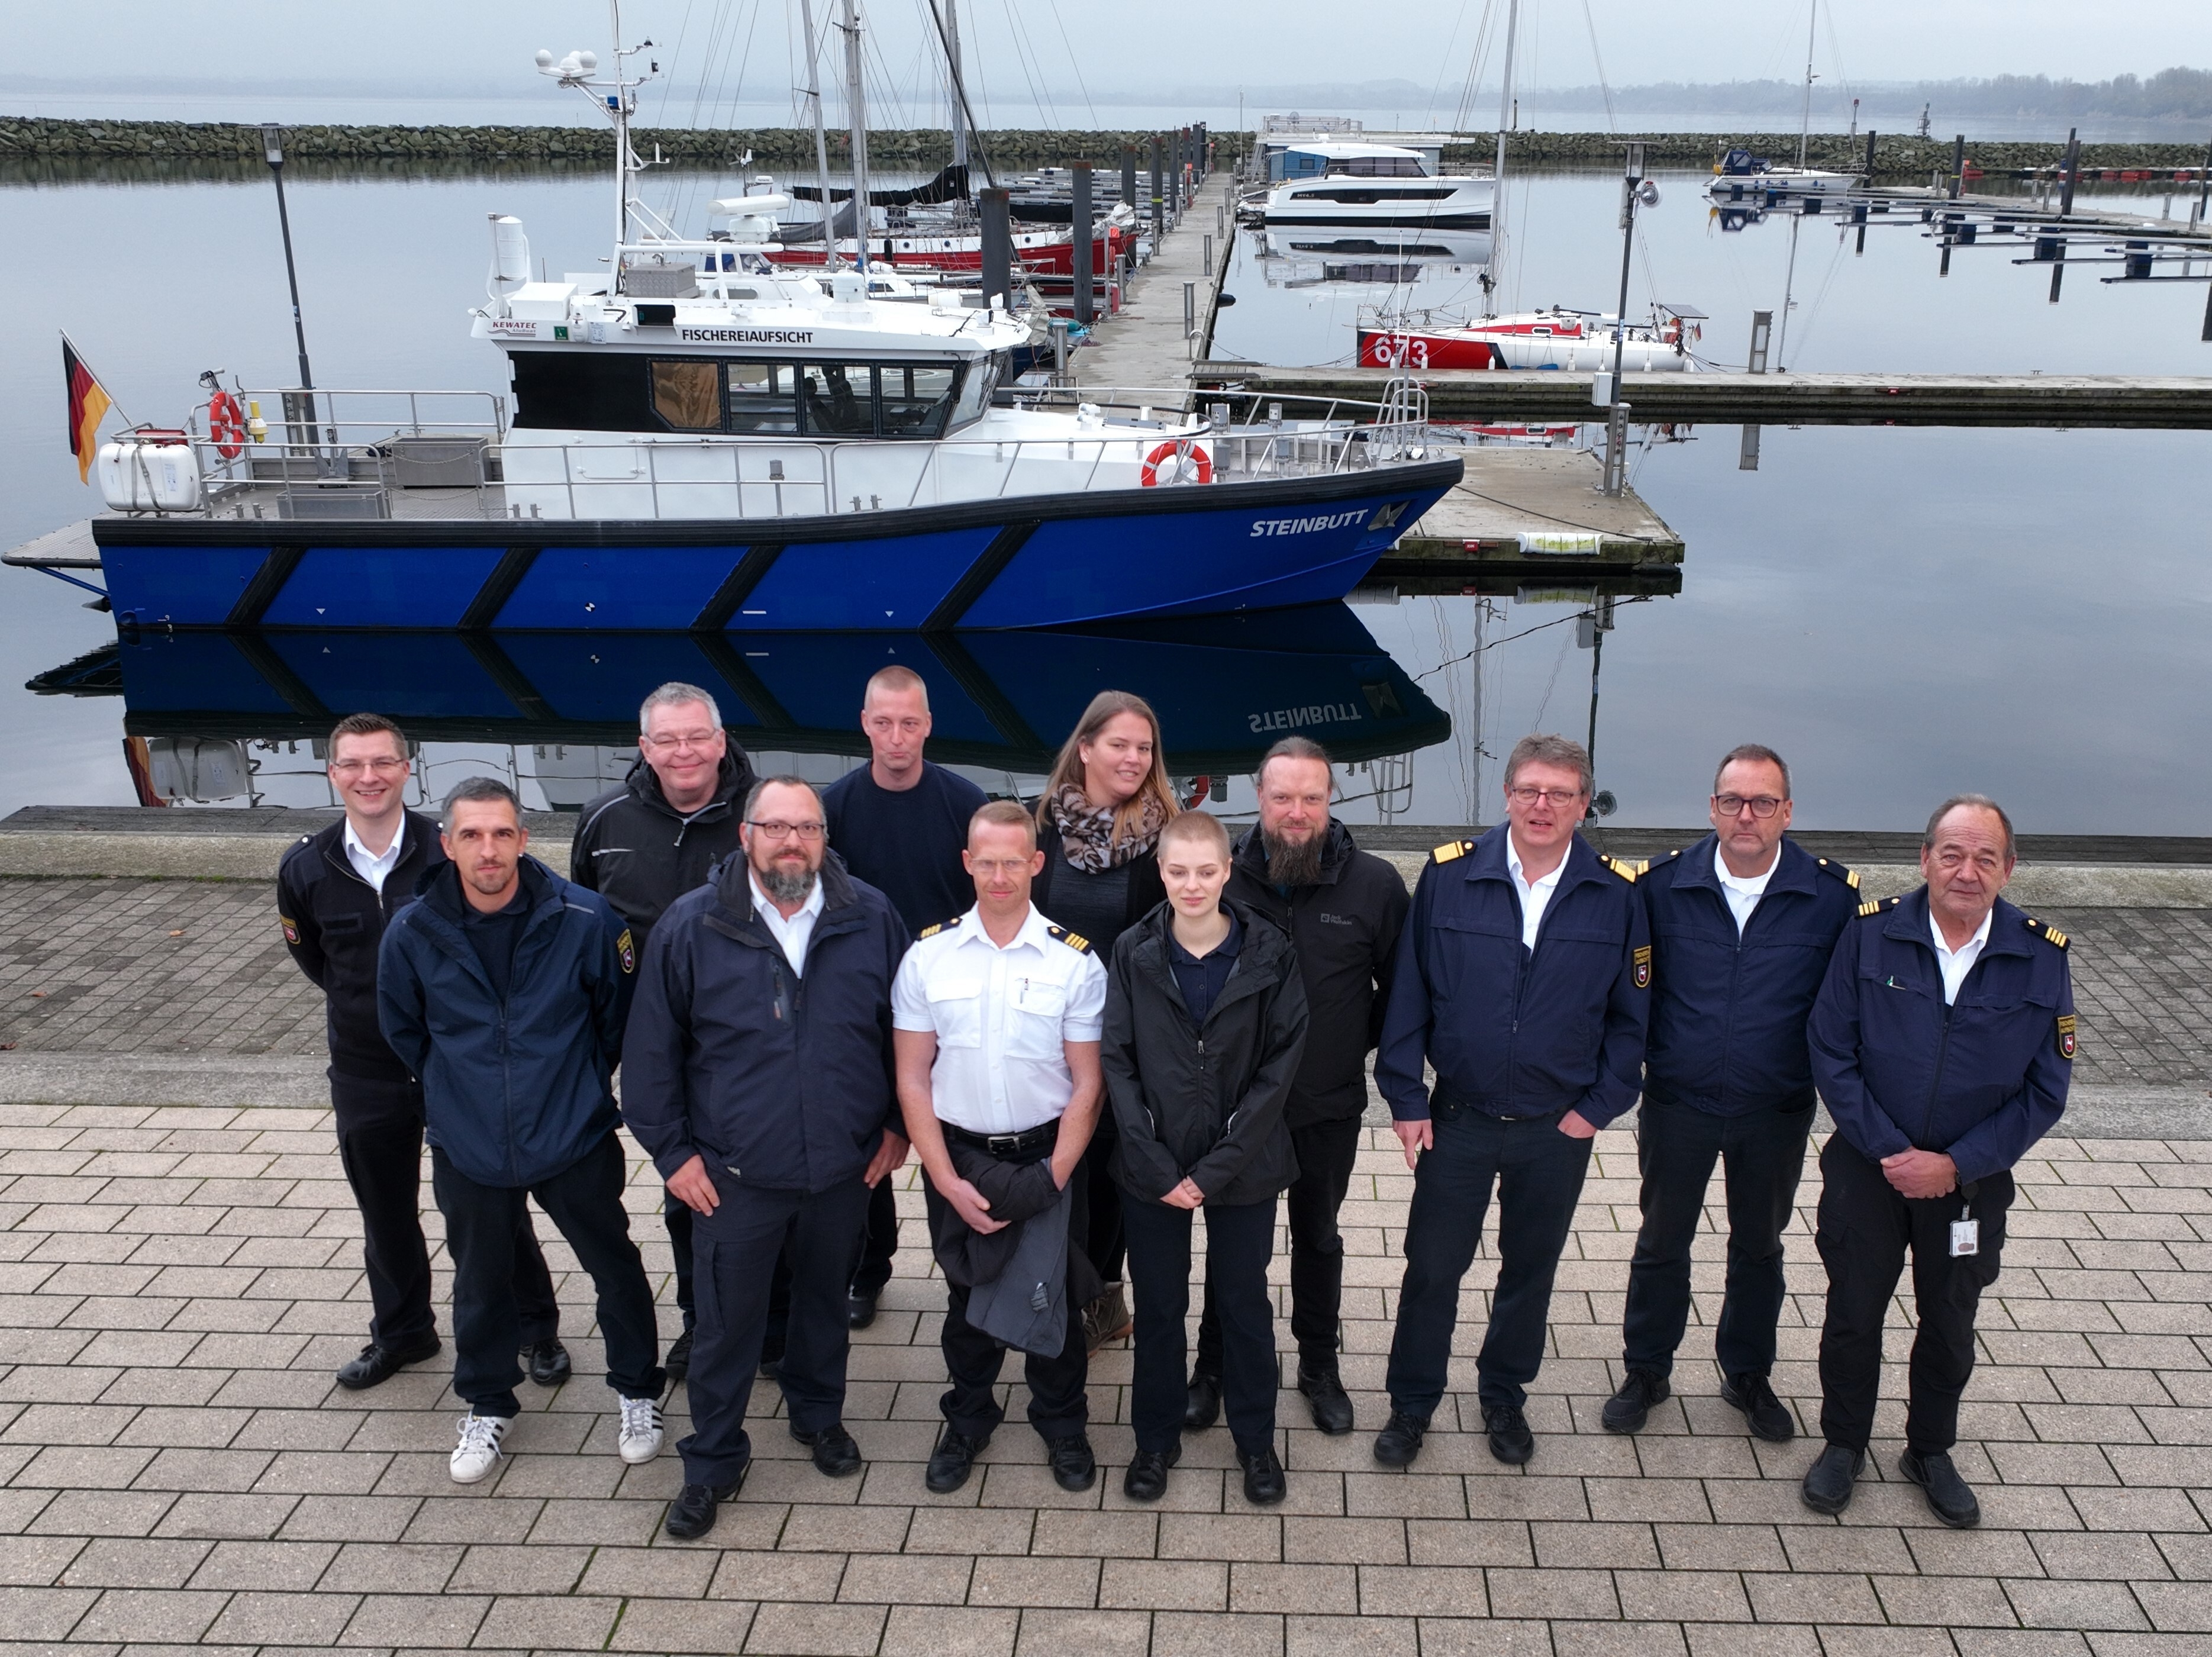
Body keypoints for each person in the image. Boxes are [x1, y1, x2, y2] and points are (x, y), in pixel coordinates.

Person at [620, 776, 911, 1540]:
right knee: (726, 1326)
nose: (792, 842)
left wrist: (895, 1125)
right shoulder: (692, 926)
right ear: (745, 835)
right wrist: (674, 1156)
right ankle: (713, 1459)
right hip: (732, 1176)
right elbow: (649, 1056)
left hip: (842, 1168)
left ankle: (818, 1416)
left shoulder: (870, 916)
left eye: (807, 828)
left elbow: (907, 1032)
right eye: (775, 827)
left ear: (824, 838)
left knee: (824, 1304)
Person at [1372, 733, 1649, 1469]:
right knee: (1432, 1268)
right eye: (1529, 789)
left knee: (1530, 1271)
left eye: (1560, 793)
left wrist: (1598, 1107)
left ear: (1584, 805)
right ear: (1507, 795)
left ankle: (1503, 1394)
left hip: (1557, 1126)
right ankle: (1412, 1403)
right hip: (1457, 1117)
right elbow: (1408, 995)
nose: (1542, 805)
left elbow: (1632, 1019)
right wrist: (1406, 1096)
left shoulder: (1618, 895)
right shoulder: (1449, 877)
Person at [377, 778, 665, 1485]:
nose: (489, 850)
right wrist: (459, 1095)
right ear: (447, 844)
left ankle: (637, 1391)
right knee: (479, 1280)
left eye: (502, 833)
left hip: (572, 1133)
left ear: (524, 840)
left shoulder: (586, 918)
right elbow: (405, 1031)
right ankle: (487, 1402)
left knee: (614, 1265)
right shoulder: (411, 931)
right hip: (468, 1142)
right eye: (472, 835)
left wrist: (575, 1084)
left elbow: (615, 1020)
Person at [1801, 794, 2074, 1529]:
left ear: (2009, 869)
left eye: (1985, 857)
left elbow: (2045, 1090)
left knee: (1950, 1320)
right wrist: (1892, 1150)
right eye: (1952, 854)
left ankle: (1929, 1449)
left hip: (1969, 1186)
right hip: (1869, 1170)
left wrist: (1954, 1165)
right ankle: (1844, 1444)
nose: (1966, 871)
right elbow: (1830, 1048)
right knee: (1853, 1312)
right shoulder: (1869, 936)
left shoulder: (2042, 957)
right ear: (1925, 859)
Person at [278, 714, 566, 1393]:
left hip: (457, 1066)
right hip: (365, 1072)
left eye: (383, 762)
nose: (369, 776)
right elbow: (314, 958)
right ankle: (403, 1332)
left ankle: (535, 1327)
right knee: (384, 1211)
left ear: (407, 769)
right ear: (333, 773)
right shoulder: (305, 866)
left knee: (493, 1203)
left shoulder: (453, 849)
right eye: (353, 764)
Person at [1603, 745, 1860, 1443]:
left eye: (1763, 802)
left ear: (1787, 811)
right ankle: (1646, 1369)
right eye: (1732, 801)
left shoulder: (1832, 898)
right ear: (1712, 807)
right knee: (1662, 1240)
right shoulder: (1660, 887)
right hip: (1678, 1101)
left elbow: (1845, 1009)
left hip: (1774, 1108)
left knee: (1760, 1246)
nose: (1747, 815)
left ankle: (1747, 1372)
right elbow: (1630, 992)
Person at [1187, 737, 1407, 1438]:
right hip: (1236, 1109)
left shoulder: (1375, 885)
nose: (1296, 811)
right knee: (1235, 1245)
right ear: (1260, 796)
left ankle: (1319, 1366)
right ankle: (1213, 1365)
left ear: (1330, 798)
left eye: (1311, 797)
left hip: (1326, 1104)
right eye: (1282, 796)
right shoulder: (1222, 877)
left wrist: (1346, 1046)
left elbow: (1401, 995)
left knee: (1318, 1236)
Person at [892, 799, 1109, 1495]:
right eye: (986, 862)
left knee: (1053, 1295)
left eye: (1013, 862)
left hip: (1048, 1154)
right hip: (959, 1155)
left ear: (1037, 863)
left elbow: (1088, 1083)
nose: (1000, 876)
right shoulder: (928, 957)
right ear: (967, 862)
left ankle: (1063, 1422)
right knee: (967, 1295)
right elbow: (911, 1078)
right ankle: (968, 1418)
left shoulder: (1075, 962)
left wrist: (1055, 1175)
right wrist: (943, 1176)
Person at [1103, 810, 1308, 1508]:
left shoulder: (1270, 952)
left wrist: (1215, 1169)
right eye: (1178, 871)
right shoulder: (1133, 952)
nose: (1192, 885)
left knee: (1245, 1303)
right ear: (1161, 872)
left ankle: (1256, 1440)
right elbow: (1116, 1061)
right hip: (1151, 1167)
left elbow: (1279, 1068)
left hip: (1244, 1163)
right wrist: (1157, 1165)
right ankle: (1154, 1439)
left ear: (1228, 871)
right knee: (1161, 1306)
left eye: (1206, 871)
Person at [570, 682, 757, 1382]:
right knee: (688, 1190)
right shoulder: (604, 820)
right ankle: (701, 1319)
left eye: (696, 737)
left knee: (771, 1185)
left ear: (720, 740)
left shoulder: (765, 813)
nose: (684, 752)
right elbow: (584, 922)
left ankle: (774, 1318)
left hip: (750, 1042)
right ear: (644, 748)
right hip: (653, 1047)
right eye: (668, 740)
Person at [823, 664, 988, 1329]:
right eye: (885, 722)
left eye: (910, 723)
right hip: (864, 1000)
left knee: (959, 1134)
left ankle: (972, 1270)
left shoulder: (964, 802)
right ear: (865, 724)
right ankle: (867, 1269)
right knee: (868, 1142)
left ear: (928, 726)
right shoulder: (834, 809)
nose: (897, 737)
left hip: (952, 998)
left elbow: (991, 896)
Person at [1030, 690, 1176, 1350]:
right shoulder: (1040, 831)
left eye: (1144, 747)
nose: (1134, 758)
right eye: (1119, 744)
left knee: (1114, 1174)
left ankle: (1102, 1301)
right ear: (1085, 748)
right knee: (1058, 1170)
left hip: (1129, 1043)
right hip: (1046, 1039)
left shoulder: (1167, 839)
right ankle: (1055, 1291)